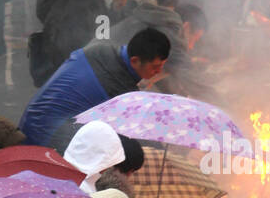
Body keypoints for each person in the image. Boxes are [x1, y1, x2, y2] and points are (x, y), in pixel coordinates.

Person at [18, 26, 170, 147]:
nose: (159, 72)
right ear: (135, 60)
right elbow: (139, 138)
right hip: (45, 139)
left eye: (162, 66)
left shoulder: (99, 50)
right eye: (155, 67)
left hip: (30, 120)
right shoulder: (119, 89)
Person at [29, 0, 109, 87]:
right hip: (57, 68)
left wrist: (118, 9)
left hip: (87, 69)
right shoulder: (58, 0)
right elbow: (42, 12)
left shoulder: (98, 5)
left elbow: (104, 37)